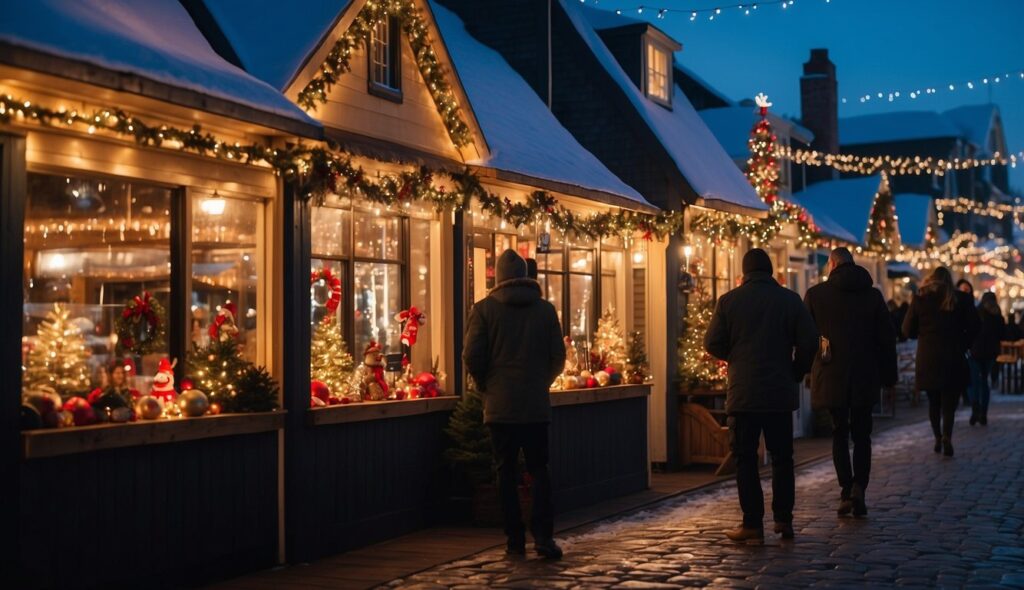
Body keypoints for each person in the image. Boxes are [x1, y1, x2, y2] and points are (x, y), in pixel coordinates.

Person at [704, 248, 818, 542]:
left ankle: (752, 524)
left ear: (744, 273)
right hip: (779, 392)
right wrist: (796, 370)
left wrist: (736, 358)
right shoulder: (789, 300)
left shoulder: (729, 301)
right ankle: (784, 520)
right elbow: (809, 341)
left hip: (743, 394)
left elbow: (712, 342)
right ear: (769, 271)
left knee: (745, 459)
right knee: (782, 458)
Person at [463, 249, 566, 559]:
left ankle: (514, 540)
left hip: (500, 407)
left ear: (499, 277)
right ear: (525, 275)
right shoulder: (545, 311)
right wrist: (541, 382)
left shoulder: (483, 310)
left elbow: (472, 356)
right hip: (535, 406)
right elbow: (557, 357)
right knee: (540, 471)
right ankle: (544, 537)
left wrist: (487, 386)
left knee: (505, 473)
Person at [804, 248, 897, 518]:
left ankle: (846, 489)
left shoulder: (817, 295)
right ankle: (859, 487)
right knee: (862, 435)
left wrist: (806, 369)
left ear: (832, 264)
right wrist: (889, 376)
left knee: (839, 433)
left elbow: (806, 336)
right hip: (865, 375)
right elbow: (886, 339)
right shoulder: (873, 296)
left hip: (831, 373)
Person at [902, 267, 980, 457]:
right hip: (953, 356)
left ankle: (937, 436)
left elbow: (907, 330)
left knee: (933, 402)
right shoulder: (960, 299)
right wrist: (964, 344)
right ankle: (947, 435)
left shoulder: (921, 298)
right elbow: (976, 326)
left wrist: (922, 333)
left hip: (928, 357)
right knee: (949, 403)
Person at [969, 292, 1004, 426]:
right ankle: (983, 413)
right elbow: (1002, 334)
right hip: (990, 353)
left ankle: (975, 407)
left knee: (973, 382)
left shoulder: (977, 312)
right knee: (984, 382)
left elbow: (970, 330)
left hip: (975, 351)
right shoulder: (997, 315)